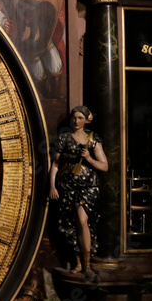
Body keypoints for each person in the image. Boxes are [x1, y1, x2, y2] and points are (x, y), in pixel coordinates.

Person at [49, 106, 108, 278]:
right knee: (70, 225)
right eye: (74, 117)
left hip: (88, 187)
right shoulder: (64, 138)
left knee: (82, 221)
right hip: (67, 187)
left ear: (86, 119)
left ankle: (87, 265)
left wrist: (89, 157)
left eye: (80, 117)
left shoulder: (93, 139)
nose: (76, 121)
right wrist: (52, 186)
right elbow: (55, 165)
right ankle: (78, 263)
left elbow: (104, 166)